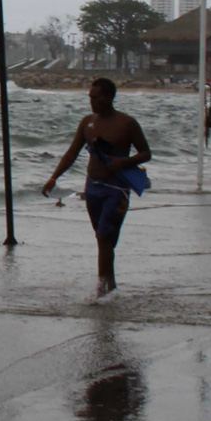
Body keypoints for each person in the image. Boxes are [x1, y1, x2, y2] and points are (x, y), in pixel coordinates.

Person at [41, 78, 151, 299]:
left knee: (104, 236)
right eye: (89, 97)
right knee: (103, 239)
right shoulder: (87, 122)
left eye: (96, 97)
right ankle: (110, 287)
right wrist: (54, 177)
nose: (91, 101)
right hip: (93, 188)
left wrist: (122, 162)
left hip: (116, 188)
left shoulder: (127, 123)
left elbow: (145, 153)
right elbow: (72, 153)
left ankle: (103, 290)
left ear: (109, 97)